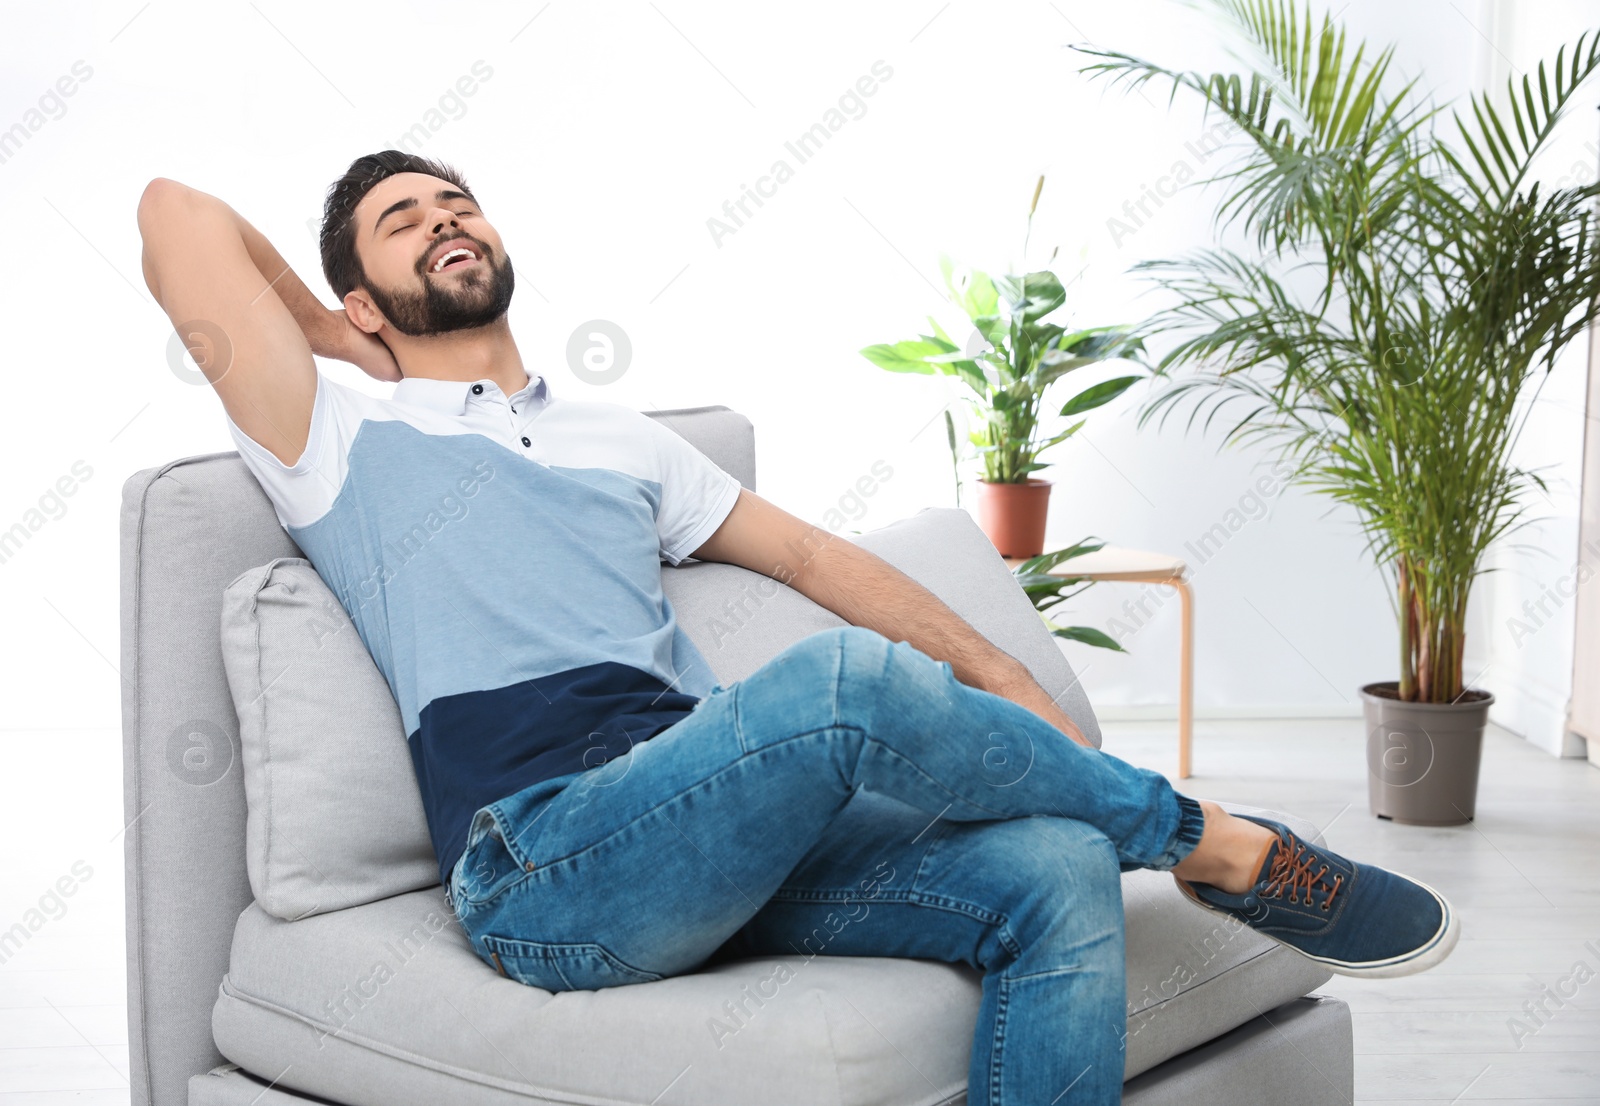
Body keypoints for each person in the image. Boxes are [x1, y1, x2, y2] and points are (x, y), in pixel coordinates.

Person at [136, 150, 1458, 1105]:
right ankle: (1213, 842)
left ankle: (1154, 835)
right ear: (361, 296)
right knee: (830, 687)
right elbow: (173, 213)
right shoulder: (333, 430)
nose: (443, 221)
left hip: (715, 832)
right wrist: (332, 334)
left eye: (454, 200)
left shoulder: (624, 439)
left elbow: (820, 557)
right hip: (549, 864)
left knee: (1055, 864)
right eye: (400, 221)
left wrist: (996, 662)